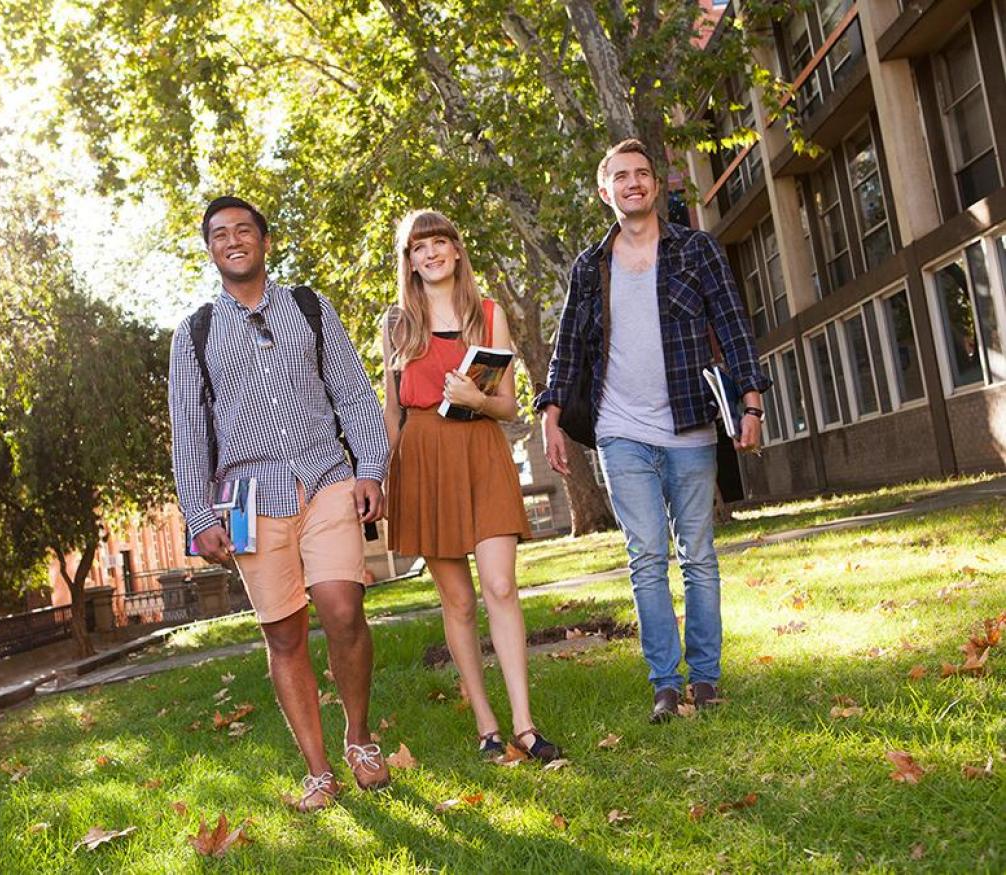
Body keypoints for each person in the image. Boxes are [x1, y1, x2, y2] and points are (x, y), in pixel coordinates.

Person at [536, 139, 771, 724]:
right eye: (622, 175)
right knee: (645, 558)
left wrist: (752, 403)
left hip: (690, 426)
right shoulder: (590, 268)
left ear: (656, 186)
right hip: (621, 432)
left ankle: (707, 679)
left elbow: (734, 326)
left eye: (643, 174)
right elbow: (567, 345)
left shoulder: (697, 250)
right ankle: (665, 684)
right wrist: (551, 415)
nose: (635, 183)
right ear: (604, 190)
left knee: (698, 557)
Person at [169, 195, 392, 811]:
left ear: (265, 242)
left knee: (343, 609)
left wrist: (370, 468)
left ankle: (359, 737)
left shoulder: (309, 308)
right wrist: (198, 515)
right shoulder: (194, 335)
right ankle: (318, 770)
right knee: (284, 634)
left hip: (326, 478)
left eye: (244, 229)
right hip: (248, 497)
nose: (233, 239)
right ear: (211, 250)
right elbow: (189, 433)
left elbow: (351, 390)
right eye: (220, 234)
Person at [382, 209, 561, 763]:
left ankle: (525, 727)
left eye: (439, 242)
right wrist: (385, 481)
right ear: (408, 262)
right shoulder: (396, 324)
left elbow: (507, 405)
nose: (431, 253)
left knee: (500, 588)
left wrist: (476, 400)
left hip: (481, 450)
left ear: (457, 251)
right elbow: (391, 414)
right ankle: (486, 727)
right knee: (457, 600)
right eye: (419, 247)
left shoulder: (489, 314)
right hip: (423, 459)